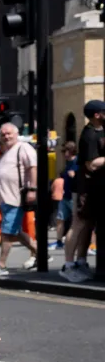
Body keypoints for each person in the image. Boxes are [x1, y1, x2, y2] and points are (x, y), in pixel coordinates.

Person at [0, 123, 38, 275]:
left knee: (7, 232)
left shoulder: (23, 147)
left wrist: (32, 189)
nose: (6, 136)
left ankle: (1, 265)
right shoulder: (7, 151)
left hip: (16, 197)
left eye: (9, 133)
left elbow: (32, 167)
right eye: (3, 134)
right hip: (6, 198)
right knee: (15, 231)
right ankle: (41, 255)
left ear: (16, 134)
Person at [63, 100, 105, 283]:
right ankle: (68, 265)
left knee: (88, 225)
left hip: (95, 188)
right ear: (97, 114)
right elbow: (92, 164)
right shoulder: (89, 135)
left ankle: (81, 262)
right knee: (78, 223)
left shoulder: (100, 130)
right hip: (84, 188)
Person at [51, 142, 74, 249]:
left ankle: (75, 241)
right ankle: (59, 241)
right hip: (65, 195)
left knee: (77, 221)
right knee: (60, 218)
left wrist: (74, 175)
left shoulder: (76, 162)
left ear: (70, 150)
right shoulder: (67, 163)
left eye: (65, 151)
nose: (63, 154)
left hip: (74, 196)